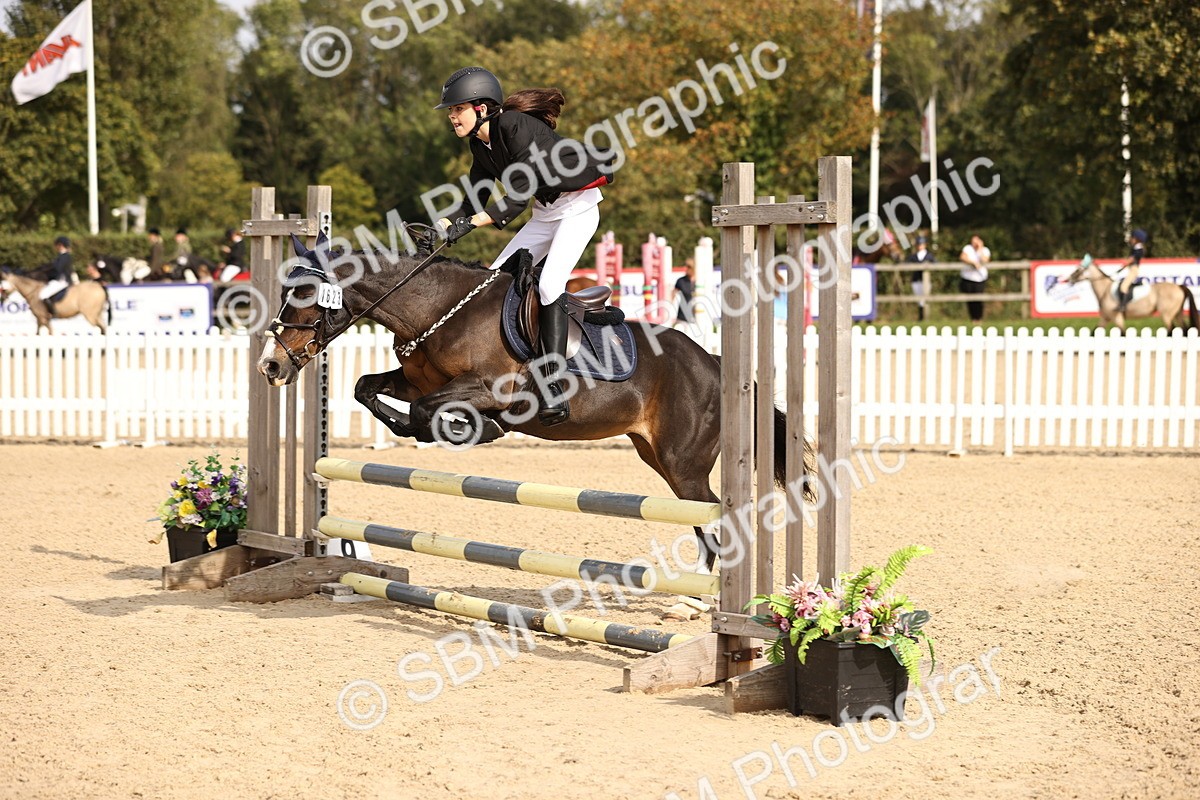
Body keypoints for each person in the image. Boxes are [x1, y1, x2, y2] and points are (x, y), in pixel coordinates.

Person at [432, 66, 614, 426]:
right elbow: (475, 197)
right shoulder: (480, 144)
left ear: (481, 108)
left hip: (577, 210)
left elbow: (515, 198)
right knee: (494, 281)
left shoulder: (513, 126)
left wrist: (472, 223)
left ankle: (554, 386)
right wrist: (439, 226)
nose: (452, 116)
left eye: (457, 109)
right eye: (451, 111)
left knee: (548, 284)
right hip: (546, 214)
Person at [959, 234, 991, 324]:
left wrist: (980, 249)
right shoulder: (968, 248)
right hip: (968, 278)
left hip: (980, 279)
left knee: (979, 299)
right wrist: (973, 263)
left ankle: (979, 318)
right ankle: (973, 319)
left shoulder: (985, 250)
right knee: (970, 300)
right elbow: (962, 257)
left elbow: (985, 260)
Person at [37, 236, 74, 312]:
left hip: (62, 280)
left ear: (60, 245)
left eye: (57, 245)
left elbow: (58, 269)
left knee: (43, 295)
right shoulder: (62, 256)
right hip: (60, 279)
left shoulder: (65, 256)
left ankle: (52, 312)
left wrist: (48, 272)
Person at [1116, 228, 1148, 312]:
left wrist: (1125, 263)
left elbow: (1132, 259)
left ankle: (1122, 306)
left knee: (1123, 286)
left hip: (1134, 269)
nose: (1131, 239)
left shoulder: (1139, 249)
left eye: (1132, 238)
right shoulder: (1135, 248)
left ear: (1137, 239)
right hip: (1131, 269)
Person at [908, 235, 935, 321]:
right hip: (916, 279)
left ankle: (924, 317)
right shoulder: (913, 256)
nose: (920, 246)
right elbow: (907, 264)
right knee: (919, 299)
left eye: (922, 244)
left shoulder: (929, 256)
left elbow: (935, 264)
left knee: (925, 298)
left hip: (926, 281)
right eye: (919, 244)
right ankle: (921, 317)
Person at [672, 258, 696, 328]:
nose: (686, 268)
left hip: (697, 315)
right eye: (686, 266)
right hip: (682, 316)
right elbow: (672, 295)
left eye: (689, 267)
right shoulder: (681, 281)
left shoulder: (700, 281)